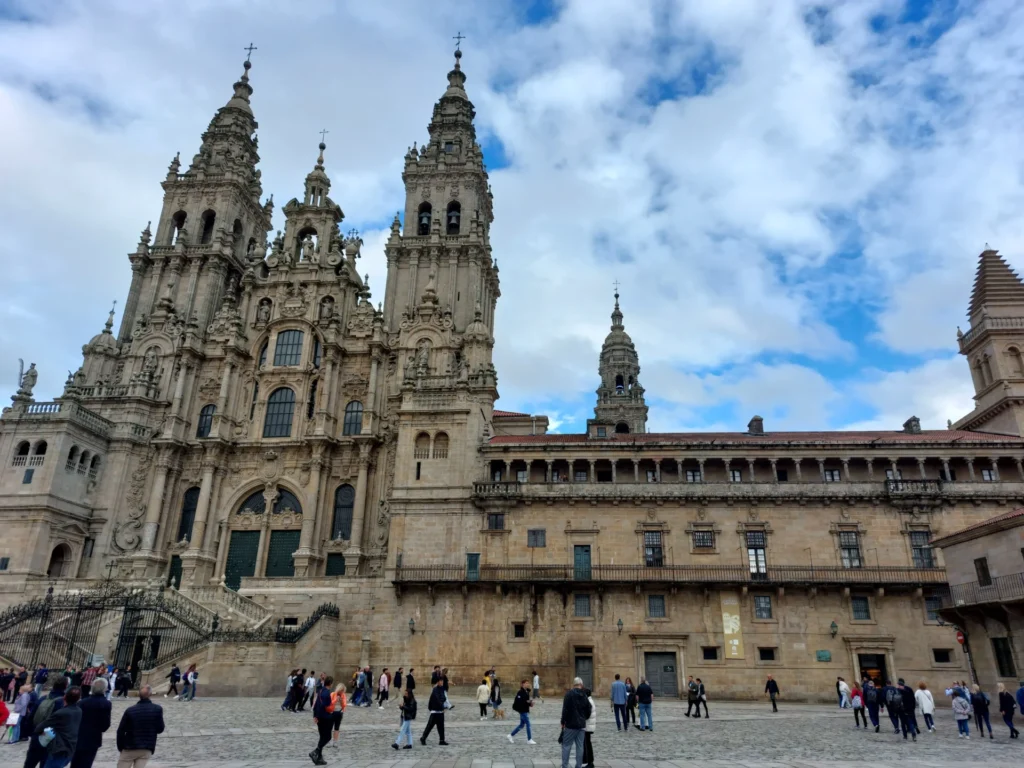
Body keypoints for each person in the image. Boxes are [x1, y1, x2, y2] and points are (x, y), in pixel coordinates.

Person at [116, 684, 165, 768]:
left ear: (139, 695)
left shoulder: (130, 710)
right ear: (150, 694)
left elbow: (121, 730)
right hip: (146, 747)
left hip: (130, 746)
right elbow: (160, 729)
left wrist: (121, 747)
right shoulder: (157, 709)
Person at [33, 684, 82, 768]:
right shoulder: (79, 710)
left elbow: (40, 727)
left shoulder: (61, 713)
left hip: (59, 748)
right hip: (70, 747)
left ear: (64, 697)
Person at [24, 676, 67, 768]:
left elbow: (31, 716)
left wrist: (31, 732)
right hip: (51, 738)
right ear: (65, 686)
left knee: (30, 763)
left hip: (37, 734)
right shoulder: (63, 702)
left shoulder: (43, 698)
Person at [71, 678, 111, 768]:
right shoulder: (106, 704)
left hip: (79, 736)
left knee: (75, 761)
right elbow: (105, 725)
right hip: (94, 738)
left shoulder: (82, 702)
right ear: (104, 689)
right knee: (87, 762)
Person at [560, 677, 591, 768]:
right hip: (581, 724)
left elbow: (565, 709)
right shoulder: (584, 695)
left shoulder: (569, 694)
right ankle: (578, 765)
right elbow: (588, 709)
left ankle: (565, 765)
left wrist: (563, 721)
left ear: (574, 685)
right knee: (580, 746)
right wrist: (584, 718)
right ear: (581, 685)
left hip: (570, 724)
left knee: (566, 745)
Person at [309, 674, 334, 766]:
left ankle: (319, 758)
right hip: (325, 717)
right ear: (330, 683)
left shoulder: (320, 691)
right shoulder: (326, 692)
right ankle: (316, 751)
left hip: (319, 717)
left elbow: (316, 705)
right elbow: (324, 705)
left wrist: (315, 716)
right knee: (327, 737)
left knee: (322, 737)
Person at [419, 677, 449, 746]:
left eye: (442, 681)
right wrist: (442, 706)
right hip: (435, 711)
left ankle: (442, 740)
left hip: (440, 712)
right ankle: (423, 738)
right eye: (440, 681)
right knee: (429, 726)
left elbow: (444, 698)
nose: (441, 682)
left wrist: (444, 706)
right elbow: (437, 699)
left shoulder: (442, 689)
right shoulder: (435, 689)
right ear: (438, 682)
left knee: (441, 727)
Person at [507, 679, 536, 744]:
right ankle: (529, 739)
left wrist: (530, 703)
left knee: (522, 725)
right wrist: (529, 702)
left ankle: (511, 735)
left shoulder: (526, 691)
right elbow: (521, 701)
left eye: (528, 683)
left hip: (525, 709)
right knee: (528, 724)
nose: (527, 684)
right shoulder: (520, 692)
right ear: (522, 684)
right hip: (522, 710)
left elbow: (526, 701)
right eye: (526, 683)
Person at [328, 683, 346, 749]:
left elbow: (344, 705)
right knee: (329, 727)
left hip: (339, 712)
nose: (341, 692)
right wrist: (336, 700)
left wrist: (341, 701)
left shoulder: (343, 695)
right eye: (341, 690)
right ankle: (329, 741)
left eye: (343, 691)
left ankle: (335, 741)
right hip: (332, 712)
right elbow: (329, 703)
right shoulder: (333, 694)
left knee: (337, 727)